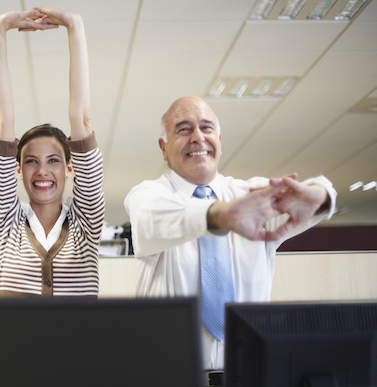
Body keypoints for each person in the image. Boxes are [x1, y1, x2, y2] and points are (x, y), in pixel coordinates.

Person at [124, 95, 337, 383]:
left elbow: (320, 193)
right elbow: (151, 218)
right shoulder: (149, 195)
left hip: (250, 375)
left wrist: (321, 196)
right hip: (169, 376)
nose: (198, 137)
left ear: (220, 140)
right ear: (164, 147)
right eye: (183, 129)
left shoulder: (250, 196)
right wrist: (220, 215)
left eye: (207, 128)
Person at [0, 8, 104, 298]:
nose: (42, 171)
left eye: (53, 160)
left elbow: (82, 118)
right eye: (30, 161)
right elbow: (2, 121)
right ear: (17, 170)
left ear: (69, 168)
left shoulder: (86, 225)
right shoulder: (6, 225)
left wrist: (75, 26)